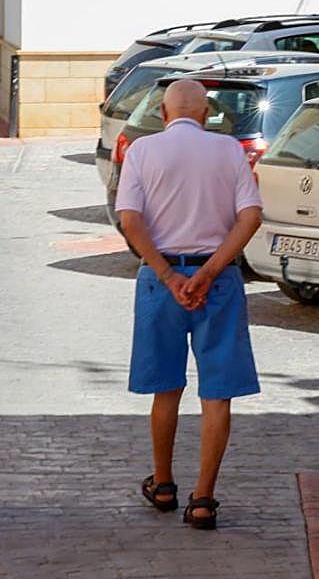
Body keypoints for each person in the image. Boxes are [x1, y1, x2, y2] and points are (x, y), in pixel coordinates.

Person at [114, 79, 263, 531]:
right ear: (206, 113)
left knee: (166, 388)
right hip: (217, 282)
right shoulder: (229, 151)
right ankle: (203, 498)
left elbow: (130, 220)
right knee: (217, 393)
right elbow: (251, 216)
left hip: (162, 283)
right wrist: (209, 272)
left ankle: (163, 484)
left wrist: (168, 275)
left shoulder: (142, 151)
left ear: (162, 112)